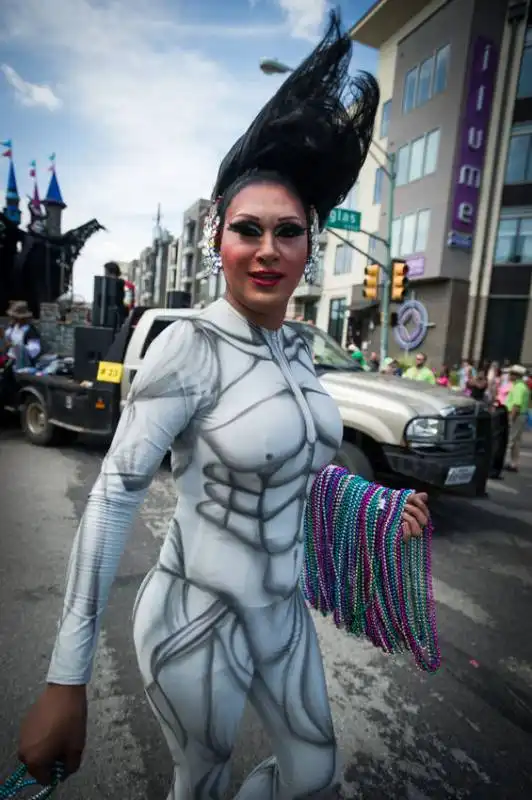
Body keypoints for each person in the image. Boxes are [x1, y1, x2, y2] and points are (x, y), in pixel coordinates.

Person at [17, 15, 434, 800]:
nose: (268, 248)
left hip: (282, 616)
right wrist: (65, 680)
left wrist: (373, 507)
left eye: (288, 232)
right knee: (200, 784)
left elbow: (292, 469)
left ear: (311, 245)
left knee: (313, 774)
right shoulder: (191, 348)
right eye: (248, 230)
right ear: (219, 238)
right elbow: (112, 499)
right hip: (195, 618)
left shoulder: (301, 350)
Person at [504, 365, 530, 472]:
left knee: (510, 440)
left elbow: (516, 405)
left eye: (511, 374)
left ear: (516, 375)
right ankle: (514, 463)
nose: (509, 375)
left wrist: (511, 418)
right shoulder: (522, 386)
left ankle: (501, 462)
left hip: (517, 416)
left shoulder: (519, 387)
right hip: (521, 416)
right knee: (516, 442)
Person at [4, 300, 41, 370]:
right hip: (10, 360)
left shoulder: (31, 331)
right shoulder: (13, 327)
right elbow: (7, 337)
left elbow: (35, 349)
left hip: (23, 364)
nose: (12, 318)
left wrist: (16, 346)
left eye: (14, 317)